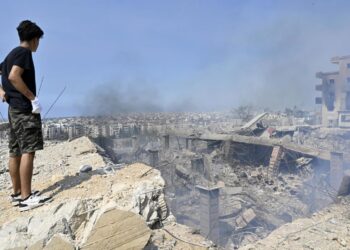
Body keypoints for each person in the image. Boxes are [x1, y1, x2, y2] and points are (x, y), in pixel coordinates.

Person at [0, 20, 51, 211]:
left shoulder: (11, 54)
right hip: (23, 109)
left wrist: (2, 92)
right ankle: (26, 197)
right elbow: (14, 76)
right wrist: (32, 98)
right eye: (39, 40)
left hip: (13, 109)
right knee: (28, 151)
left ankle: (16, 193)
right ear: (34, 39)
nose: (38, 45)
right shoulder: (24, 53)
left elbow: (4, 73)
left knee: (15, 151)